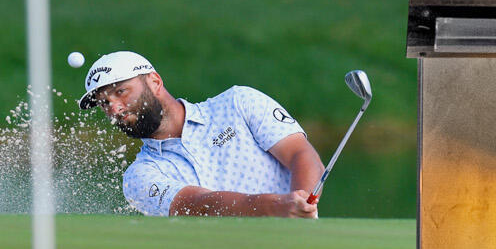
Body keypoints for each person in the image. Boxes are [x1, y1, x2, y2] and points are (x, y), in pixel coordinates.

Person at [78, 50, 324, 219]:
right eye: (104, 103)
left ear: (154, 81)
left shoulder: (239, 103)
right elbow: (201, 204)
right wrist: (276, 206)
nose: (114, 109)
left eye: (121, 91)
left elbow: (300, 154)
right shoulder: (139, 177)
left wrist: (302, 207)